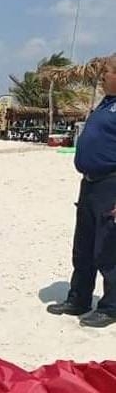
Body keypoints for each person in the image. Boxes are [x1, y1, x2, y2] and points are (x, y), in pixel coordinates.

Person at [47, 55, 116, 328]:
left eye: (108, 71)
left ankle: (111, 307)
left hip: (111, 185)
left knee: (108, 248)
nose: (102, 76)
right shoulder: (106, 103)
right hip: (89, 184)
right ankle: (78, 298)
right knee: (84, 246)